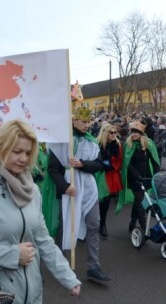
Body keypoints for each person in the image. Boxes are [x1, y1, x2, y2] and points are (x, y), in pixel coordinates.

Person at [0, 120, 81, 303]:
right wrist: (12, 255)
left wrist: (67, 276)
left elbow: (42, 238)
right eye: (16, 151)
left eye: (28, 152)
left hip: (32, 291)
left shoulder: (32, 190)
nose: (24, 159)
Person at [48, 107, 112, 283]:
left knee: (93, 225)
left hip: (89, 190)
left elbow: (99, 165)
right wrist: (64, 186)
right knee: (65, 228)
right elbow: (53, 169)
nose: (87, 125)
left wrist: (82, 163)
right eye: (83, 122)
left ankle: (93, 267)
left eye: (88, 121)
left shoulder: (92, 141)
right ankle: (60, 265)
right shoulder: (62, 142)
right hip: (70, 189)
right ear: (73, 120)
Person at [117, 120, 160, 232]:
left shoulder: (148, 143)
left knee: (138, 201)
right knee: (141, 201)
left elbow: (155, 160)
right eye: (132, 132)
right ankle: (144, 226)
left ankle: (132, 222)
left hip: (146, 177)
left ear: (141, 133)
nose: (134, 134)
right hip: (134, 178)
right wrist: (137, 176)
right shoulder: (128, 144)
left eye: (136, 132)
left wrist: (156, 175)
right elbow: (127, 163)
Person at [96, 123, 123, 237]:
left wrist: (113, 166)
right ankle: (91, 224)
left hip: (110, 175)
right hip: (98, 174)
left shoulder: (118, 144)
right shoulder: (97, 144)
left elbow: (120, 159)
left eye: (115, 132)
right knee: (94, 200)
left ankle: (102, 224)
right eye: (111, 132)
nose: (114, 134)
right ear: (105, 133)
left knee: (105, 200)